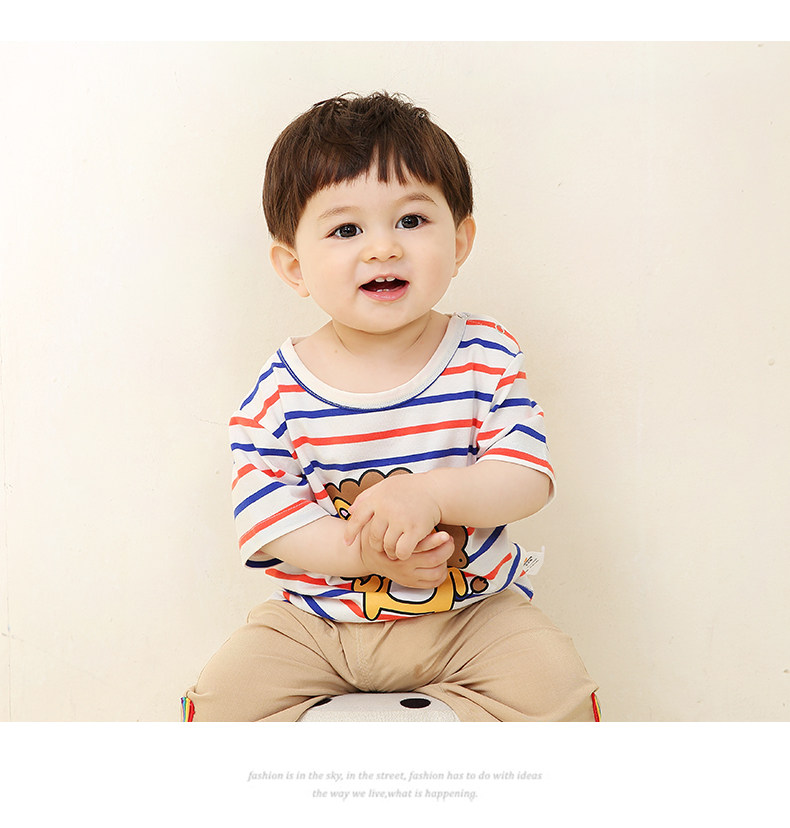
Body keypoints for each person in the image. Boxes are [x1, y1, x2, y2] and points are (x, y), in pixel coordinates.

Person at [182, 92, 599, 722]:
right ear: (294, 267)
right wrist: (362, 555)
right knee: (224, 700)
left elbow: (525, 477)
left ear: (460, 241)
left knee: (555, 686)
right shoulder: (278, 393)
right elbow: (271, 521)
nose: (382, 249)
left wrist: (431, 494)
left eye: (411, 220)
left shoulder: (484, 355)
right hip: (319, 623)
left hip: (471, 616)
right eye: (346, 230)